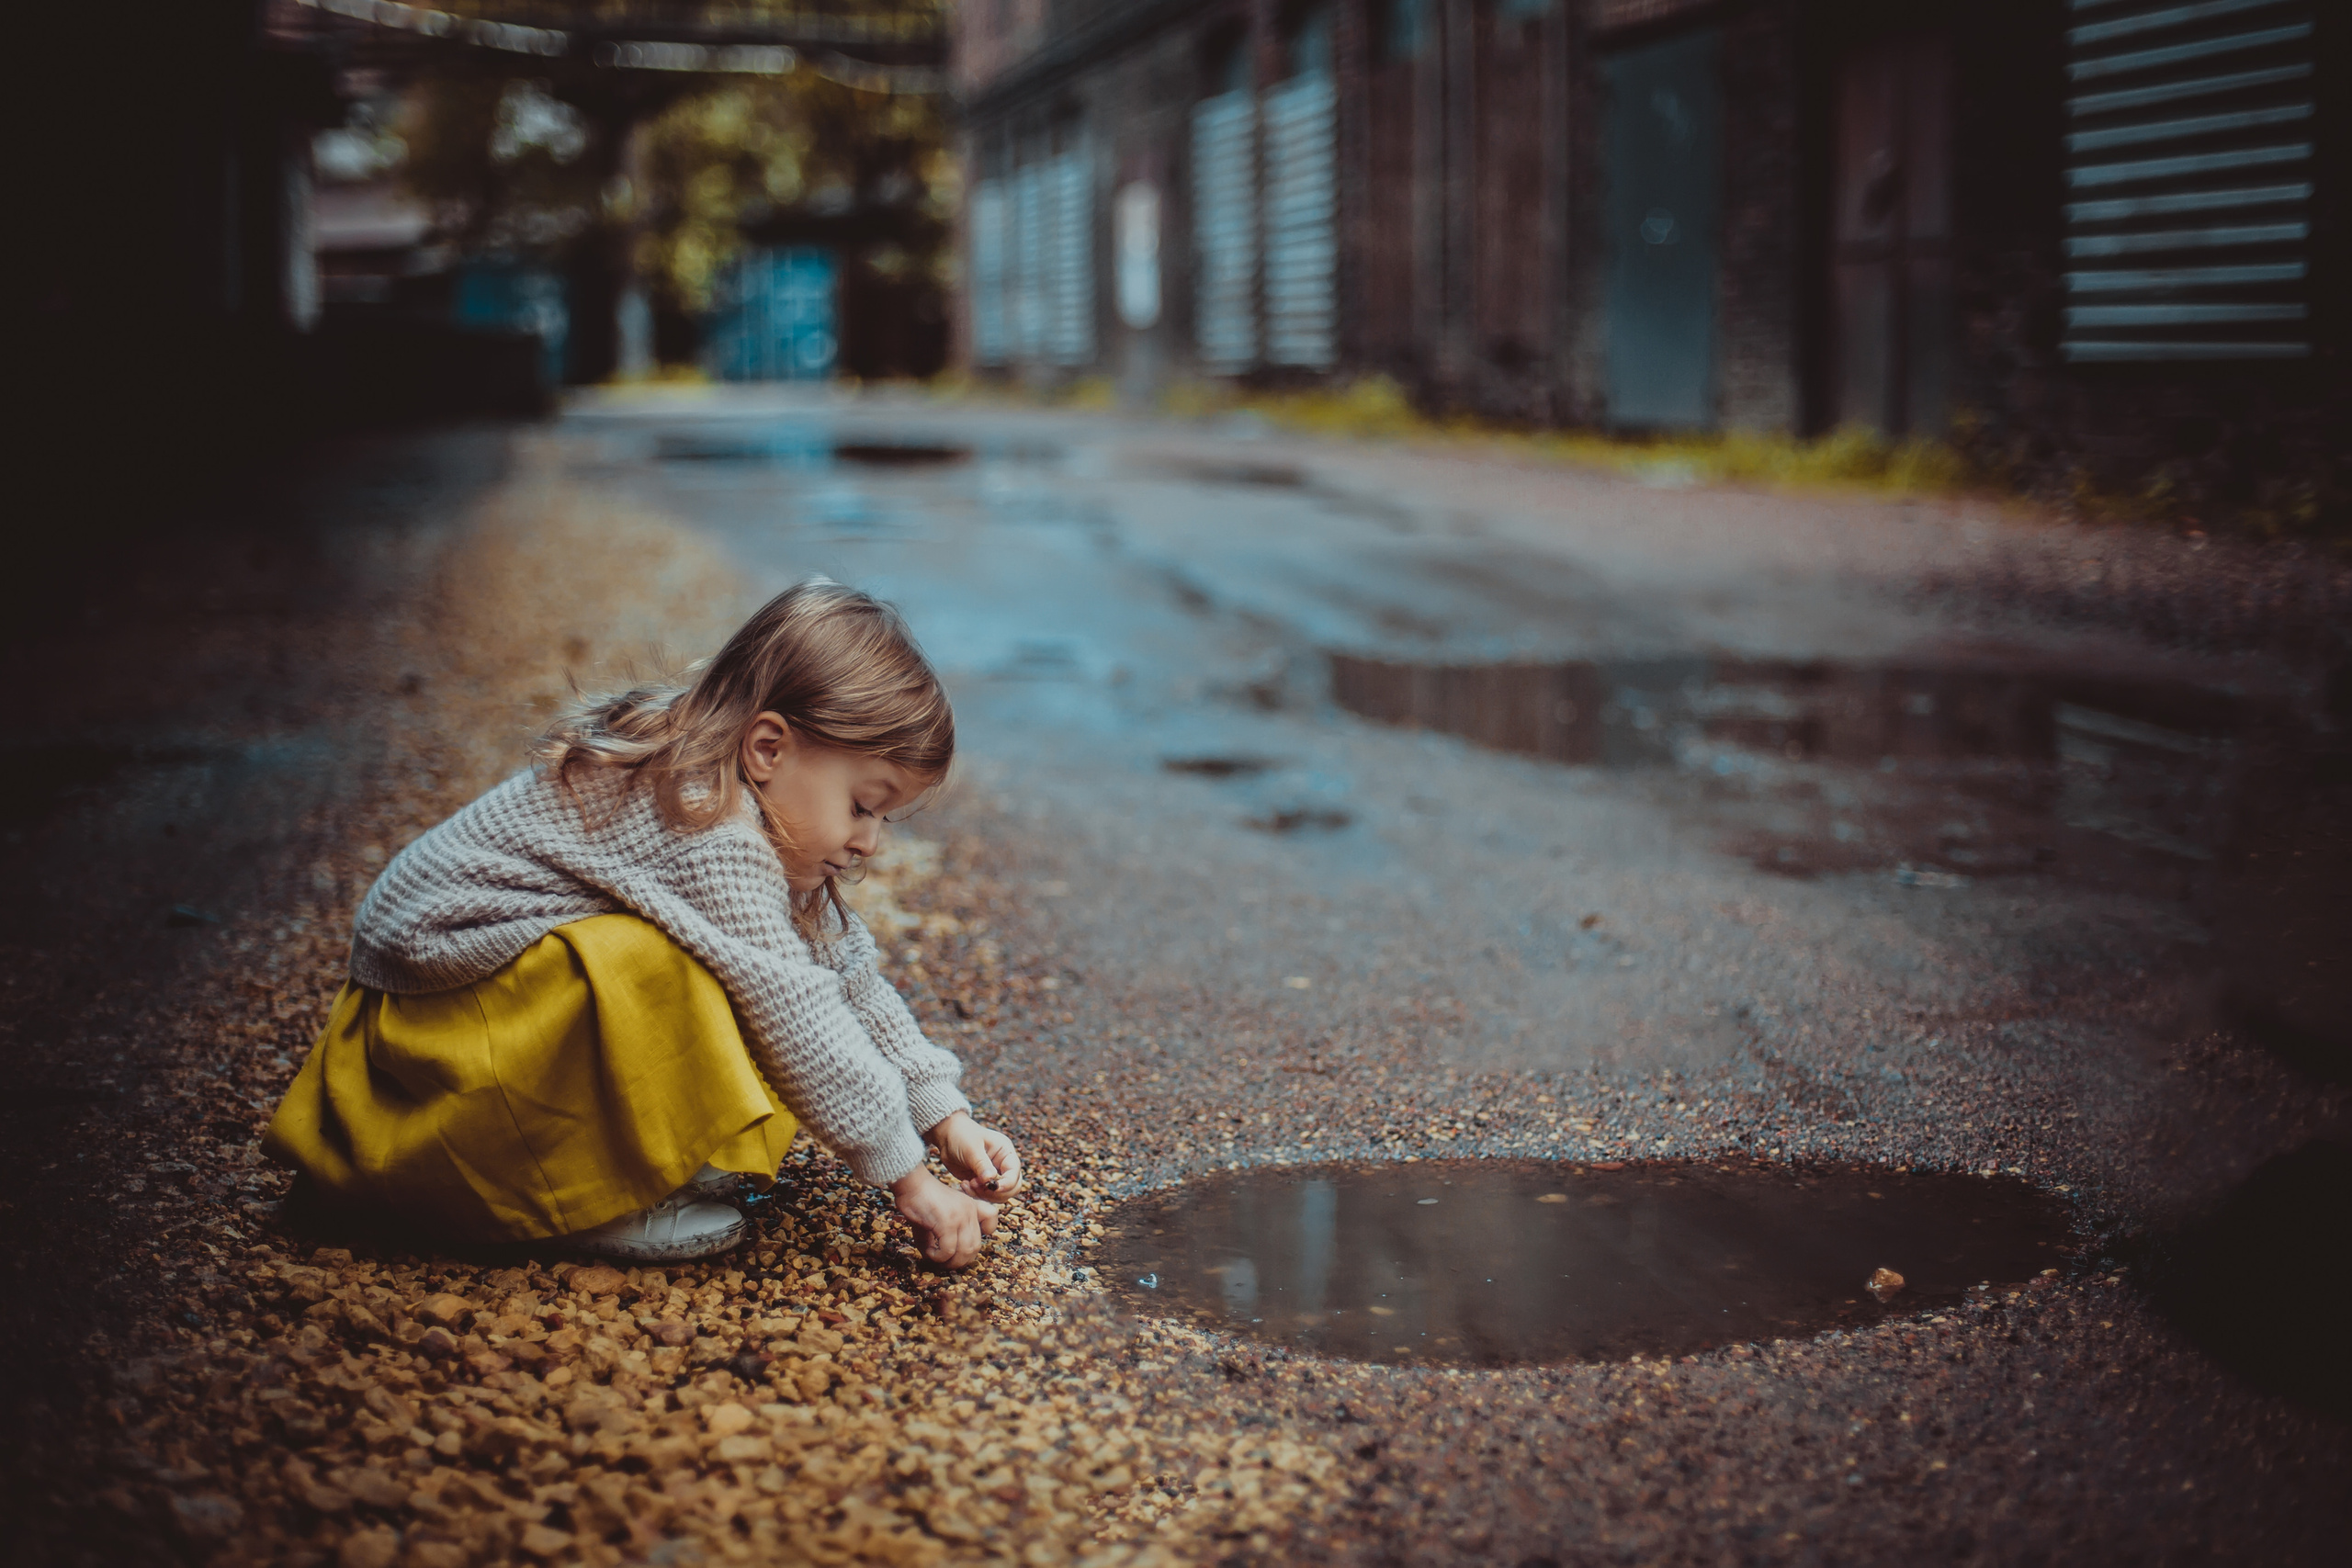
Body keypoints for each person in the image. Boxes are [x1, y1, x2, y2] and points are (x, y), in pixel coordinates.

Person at [265, 580, 1020, 1265]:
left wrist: (943, 1115)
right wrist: (910, 1181)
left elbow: (845, 971)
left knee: (716, 965)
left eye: (883, 817)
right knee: (666, 966)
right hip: (433, 1039)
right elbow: (800, 1007)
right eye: (862, 804)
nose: (868, 841)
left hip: (476, 1013)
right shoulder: (709, 826)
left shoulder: (737, 793)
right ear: (767, 748)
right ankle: (573, 1196)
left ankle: (607, 1158)